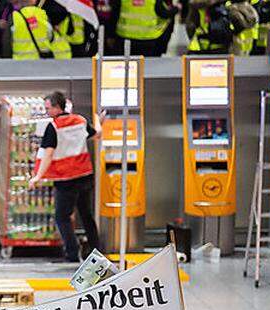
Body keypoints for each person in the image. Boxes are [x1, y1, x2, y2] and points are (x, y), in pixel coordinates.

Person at [27, 91, 105, 263]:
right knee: (86, 214)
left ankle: (72, 253)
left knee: (62, 217)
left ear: (57, 107)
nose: (47, 112)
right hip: (85, 175)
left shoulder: (53, 127)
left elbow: (48, 154)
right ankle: (96, 251)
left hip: (66, 178)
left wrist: (37, 177)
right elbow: (97, 134)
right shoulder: (80, 120)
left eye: (48, 108)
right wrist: (99, 120)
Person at [112, 0, 178, 56]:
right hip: (147, 38)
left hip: (125, 37)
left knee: (125, 65)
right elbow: (164, 14)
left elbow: (114, 14)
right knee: (145, 65)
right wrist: (176, 9)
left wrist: (111, 35)